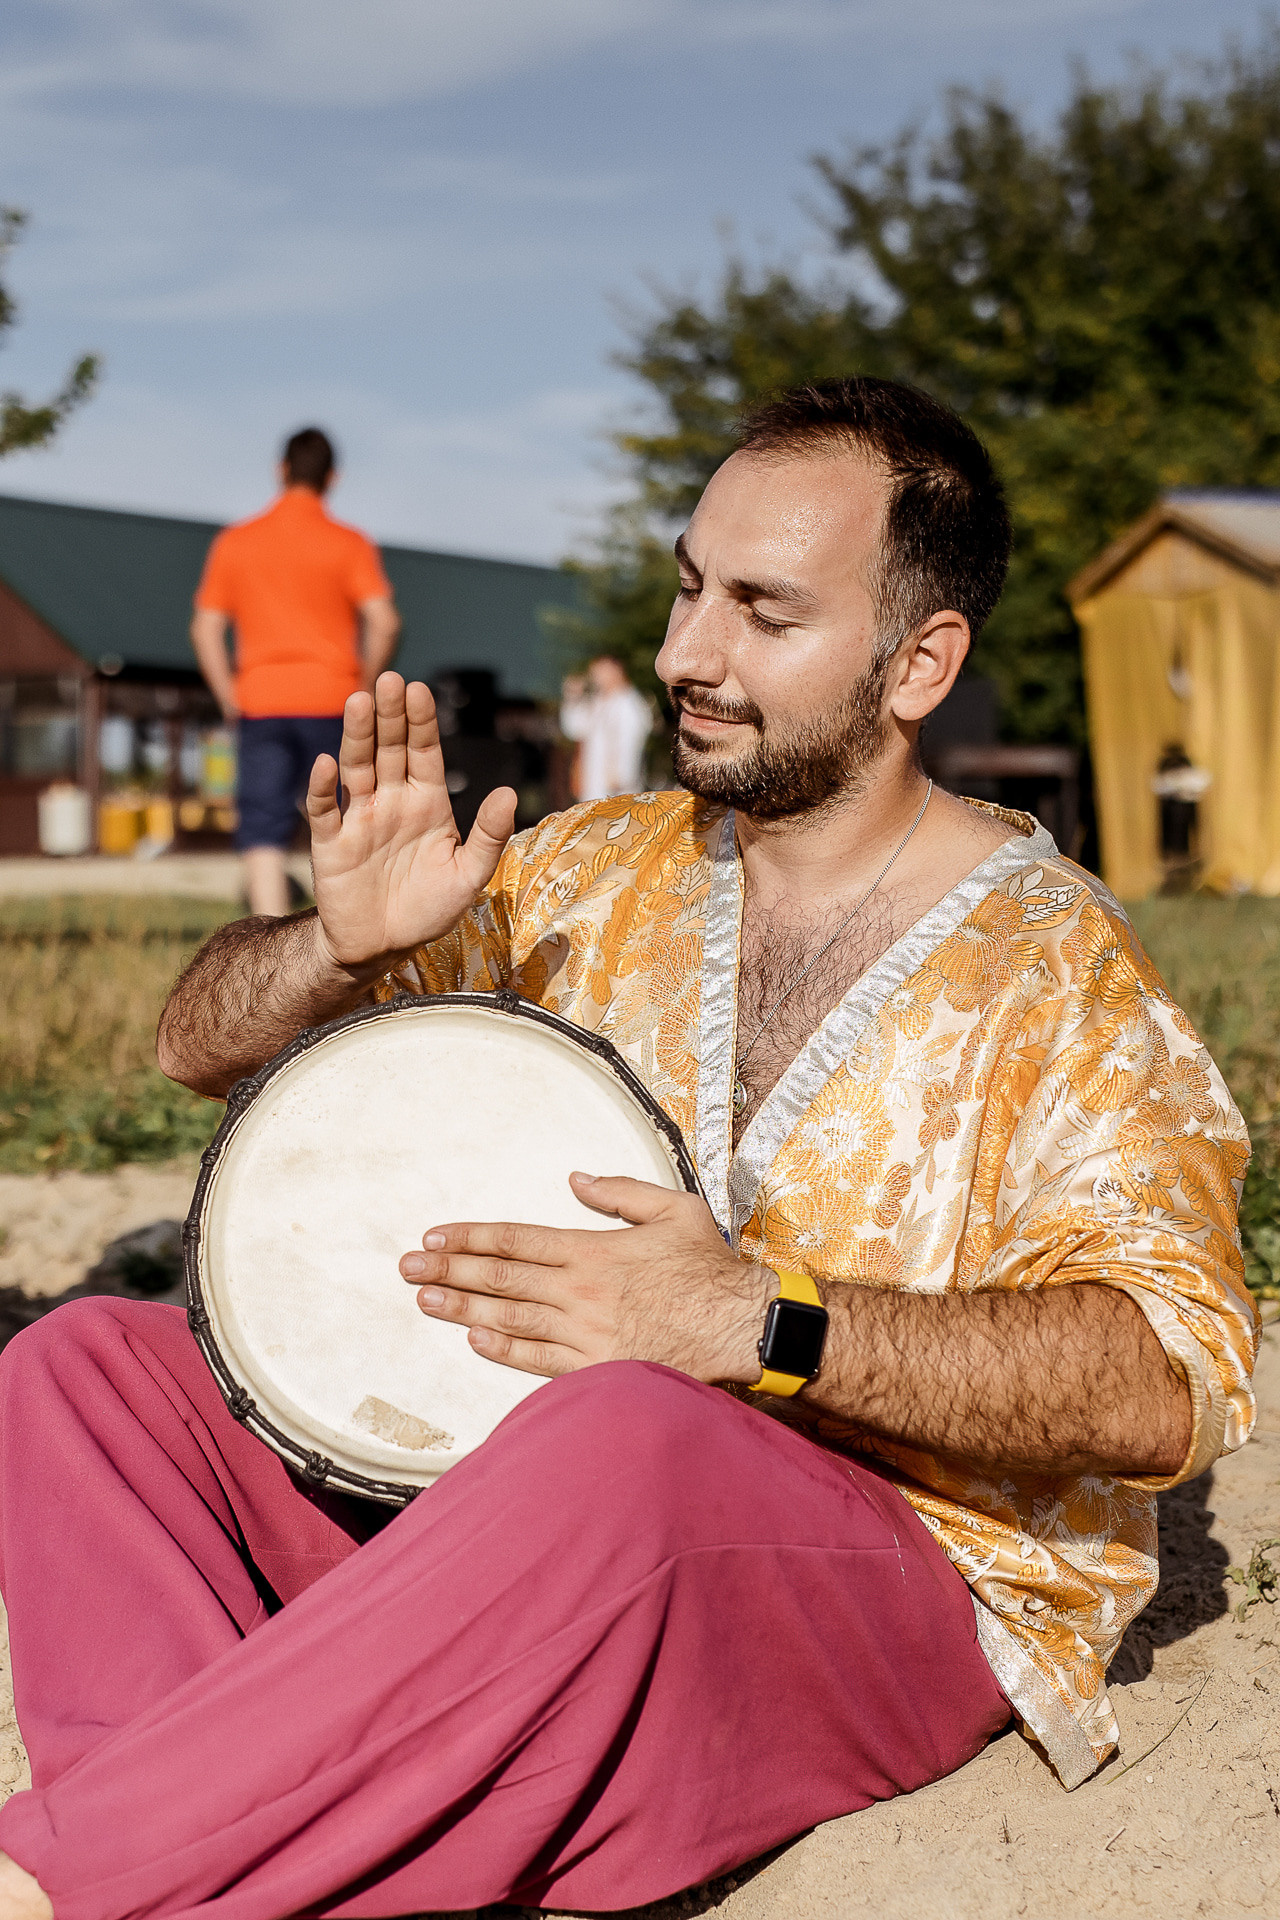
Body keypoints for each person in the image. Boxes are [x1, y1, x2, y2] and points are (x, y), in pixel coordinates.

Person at [0, 380, 1257, 1920]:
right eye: (686, 588)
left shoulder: (1058, 971)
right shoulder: (590, 864)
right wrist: (336, 946)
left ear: (919, 663)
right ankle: (217, 1834)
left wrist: (758, 1323)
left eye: (762, 612)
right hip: (505, 1527)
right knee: (80, 1378)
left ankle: (96, 1867)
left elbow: (1171, 1379)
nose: (684, 656)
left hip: (886, 1580)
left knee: (629, 1441)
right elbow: (194, 1046)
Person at [190, 427, 401, 916]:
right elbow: (385, 622)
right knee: (337, 817)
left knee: (262, 825)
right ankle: (345, 925)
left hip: (260, 701)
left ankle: (269, 934)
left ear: (280, 470)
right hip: (331, 700)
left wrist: (229, 694)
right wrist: (364, 681)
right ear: (333, 478)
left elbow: (205, 630)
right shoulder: (349, 543)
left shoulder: (236, 542)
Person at [559, 653, 653, 798]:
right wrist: (573, 696)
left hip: (617, 787)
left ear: (616, 669)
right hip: (593, 785)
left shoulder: (629, 703)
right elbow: (574, 728)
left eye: (600, 670)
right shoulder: (597, 702)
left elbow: (630, 740)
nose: (596, 676)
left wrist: (622, 775)